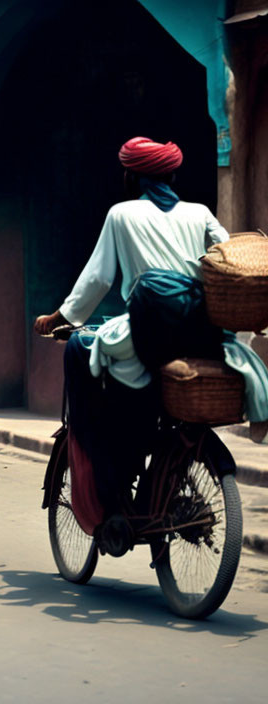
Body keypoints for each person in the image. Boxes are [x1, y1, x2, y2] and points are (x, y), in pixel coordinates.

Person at [33, 136, 268, 535]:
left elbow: (98, 278)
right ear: (173, 175)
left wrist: (59, 316)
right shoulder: (200, 213)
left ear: (131, 177)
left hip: (147, 331)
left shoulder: (121, 214)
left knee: (80, 348)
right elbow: (231, 258)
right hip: (198, 329)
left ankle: (99, 460)